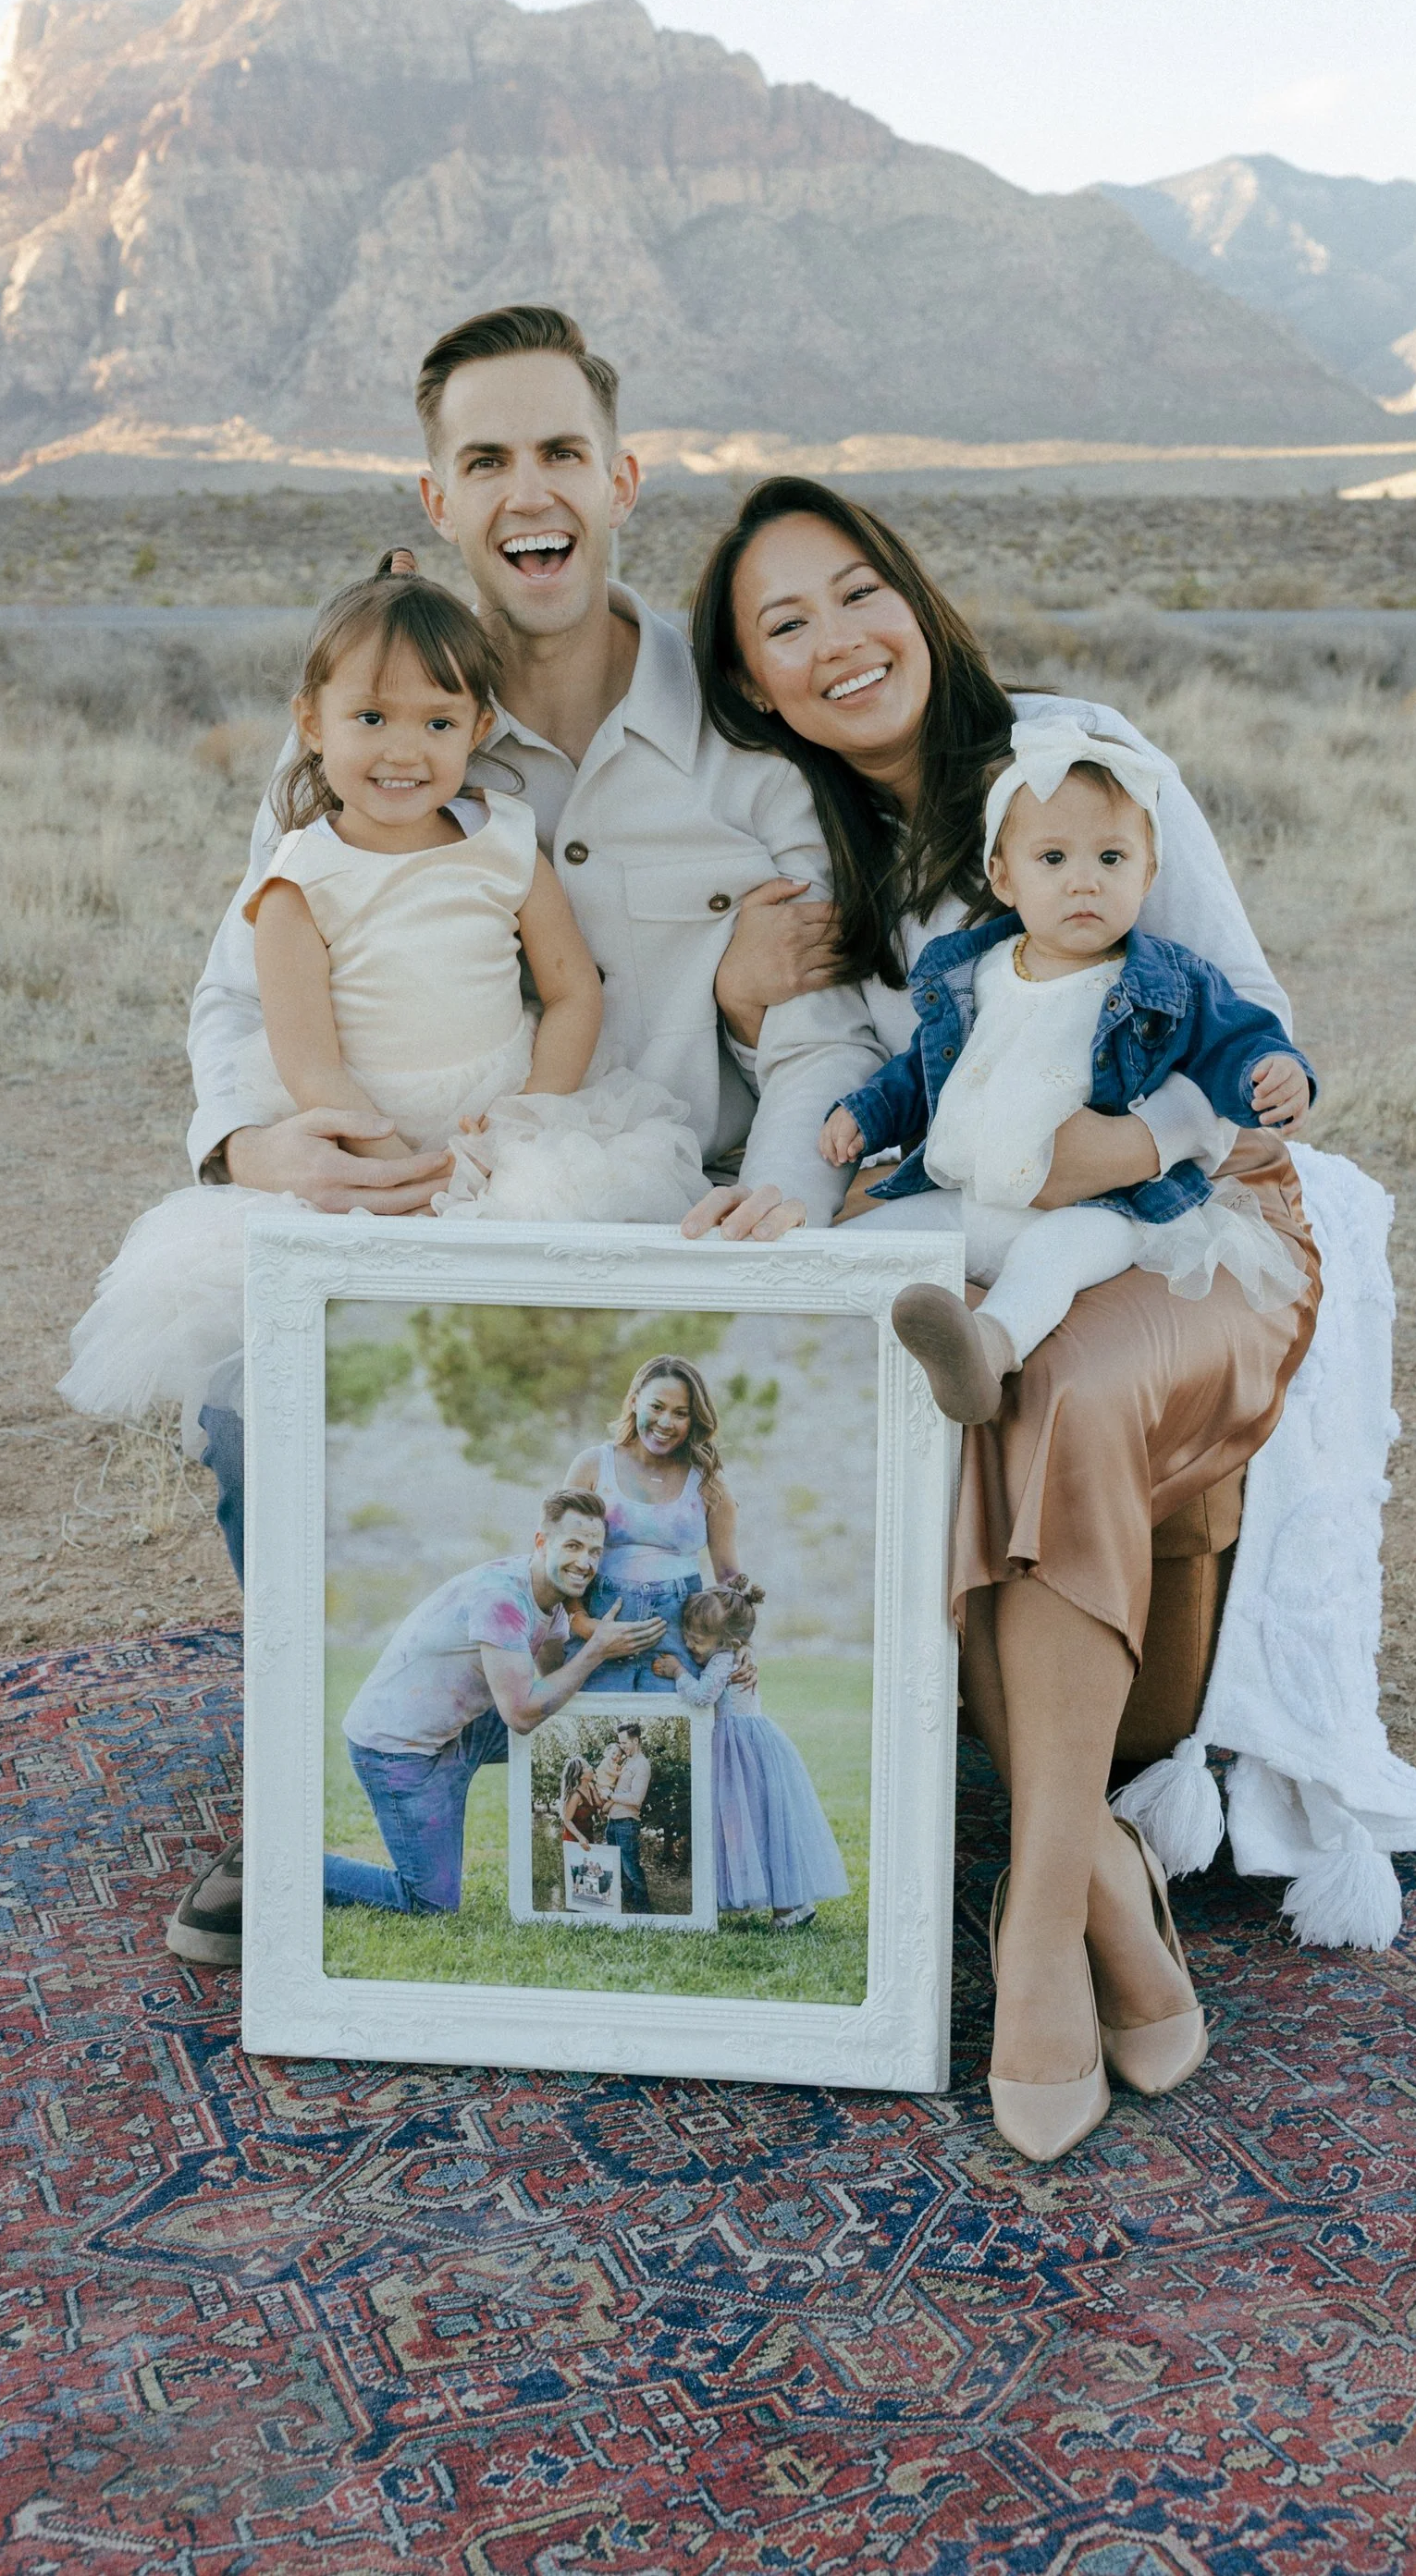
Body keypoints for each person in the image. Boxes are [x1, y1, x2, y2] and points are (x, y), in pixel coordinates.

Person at [153, 303, 863, 1966]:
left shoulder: (746, 734)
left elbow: (826, 1032)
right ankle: (320, 1782)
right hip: (402, 1191)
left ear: (621, 481)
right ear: (438, 500)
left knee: (644, 1499)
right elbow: (231, 996)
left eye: (560, 451)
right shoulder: (365, 724)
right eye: (487, 459)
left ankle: (626, 1782)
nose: (527, 489)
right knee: (251, 1401)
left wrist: (772, 1208)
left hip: (653, 1212)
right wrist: (260, 1148)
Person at [690, 475, 1322, 2161]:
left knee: (1046, 1382)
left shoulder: (1084, 766)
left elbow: (1259, 1060)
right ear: (754, 682)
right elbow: (841, 1072)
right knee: (950, 1372)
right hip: (990, 1233)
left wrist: (1138, 1140)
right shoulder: (826, 857)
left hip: (1195, 1230)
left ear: (914, 592)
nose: (838, 640)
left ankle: (1033, 1918)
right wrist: (795, 1183)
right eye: (785, 624)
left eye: (856, 591)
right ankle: (1098, 1870)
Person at [56, 567, 706, 1441]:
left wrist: (529, 1118)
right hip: (360, 1140)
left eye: (437, 722)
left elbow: (571, 990)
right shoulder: (297, 881)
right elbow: (308, 1057)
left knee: (527, 1344)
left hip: (502, 1126)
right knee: (340, 1375)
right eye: (371, 718)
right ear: (311, 724)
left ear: (478, 727)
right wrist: (395, 1162)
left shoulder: (504, 843)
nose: (404, 751)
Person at [827, 718, 1314, 1425]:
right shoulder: (973, 972)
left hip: (1100, 1208)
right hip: (974, 1195)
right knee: (877, 1241)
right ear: (1004, 875)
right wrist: (867, 1112)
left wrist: (1271, 1070)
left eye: (1112, 858)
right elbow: (923, 1074)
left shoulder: (1167, 984)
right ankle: (802, 1314)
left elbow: (1234, 1040)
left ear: (1148, 873)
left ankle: (988, 1348)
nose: (1084, 881)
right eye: (1052, 858)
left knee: (1051, 1259)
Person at [330, 1491, 664, 1917]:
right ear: (542, 1543)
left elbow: (556, 1680)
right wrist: (596, 1650)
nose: (586, 1562)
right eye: (573, 1547)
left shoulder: (551, 1597)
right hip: (397, 1751)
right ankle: (294, 1866)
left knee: (563, 1721)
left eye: (595, 1551)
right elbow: (523, 1714)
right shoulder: (502, 1598)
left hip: (459, 1732)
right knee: (430, 1905)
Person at [651, 1576, 847, 1926]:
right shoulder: (734, 1655)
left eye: (696, 1639)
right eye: (687, 1637)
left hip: (735, 1751)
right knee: (763, 1825)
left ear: (730, 1641)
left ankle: (785, 1909)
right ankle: (794, 1904)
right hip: (755, 1745)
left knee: (745, 1825)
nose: (688, 1644)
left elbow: (702, 1697)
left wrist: (678, 1670)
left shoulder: (723, 1662)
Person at [560, 1354, 742, 1689]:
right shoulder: (592, 1466)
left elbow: (730, 1579)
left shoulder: (709, 1485)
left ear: (693, 1420)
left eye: (681, 1413)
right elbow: (557, 1556)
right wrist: (585, 1625)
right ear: (633, 1401)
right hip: (600, 1639)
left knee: (675, 1741)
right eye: (656, 1407)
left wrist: (740, 1648)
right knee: (599, 1740)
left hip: (680, 1645)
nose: (666, 1422)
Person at [601, 1722, 655, 1911]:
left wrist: (609, 1796)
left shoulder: (642, 1765)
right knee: (619, 1866)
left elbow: (636, 1798)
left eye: (624, 1743)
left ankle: (644, 1906)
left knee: (631, 1866)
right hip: (614, 1822)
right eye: (620, 1743)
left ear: (636, 1740)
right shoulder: (626, 1761)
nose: (621, 1747)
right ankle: (629, 1901)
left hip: (627, 1823)